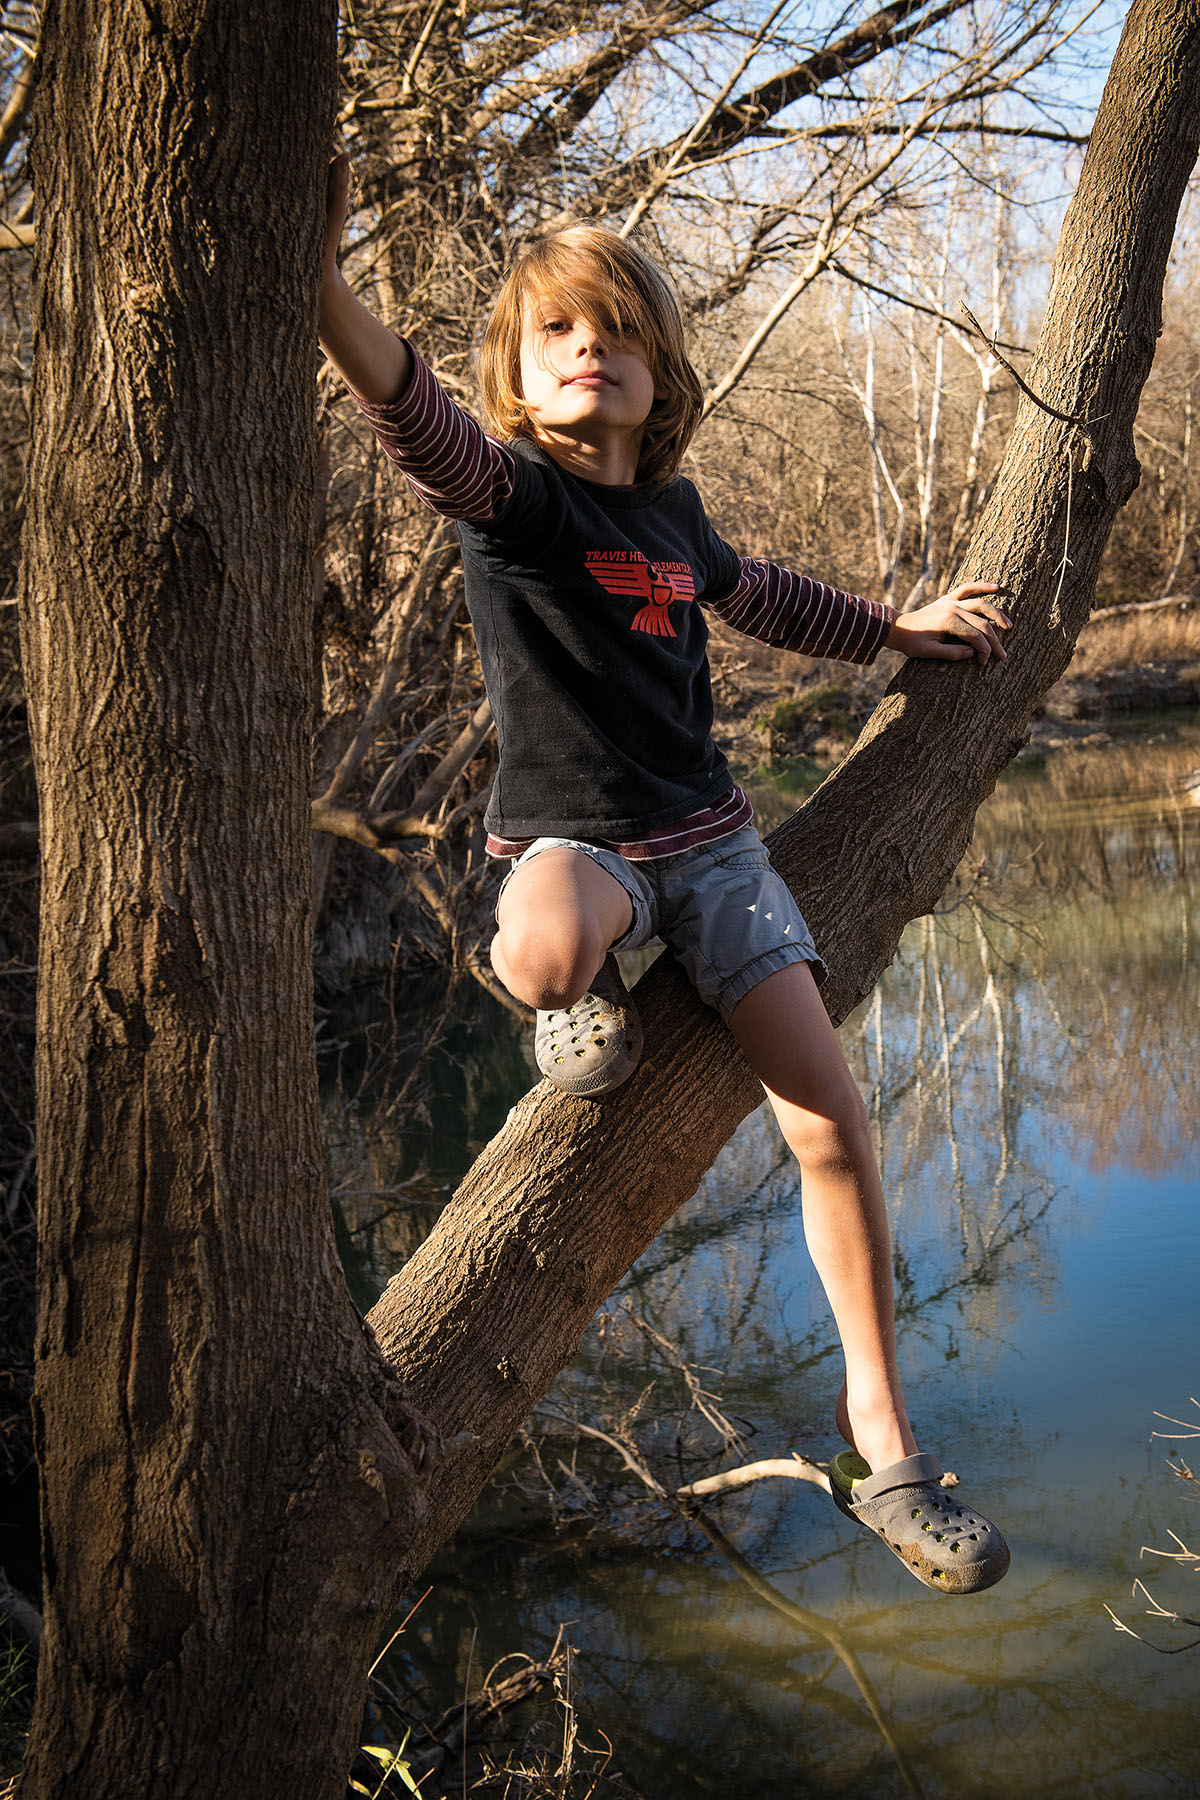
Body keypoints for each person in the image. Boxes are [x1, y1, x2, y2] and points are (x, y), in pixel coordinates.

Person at [318, 155, 1011, 1593]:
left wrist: (900, 630)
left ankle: (882, 1438)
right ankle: (566, 1001)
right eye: (559, 332)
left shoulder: (677, 522)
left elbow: (768, 597)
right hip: (577, 847)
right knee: (552, 936)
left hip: (714, 847)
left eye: (618, 330)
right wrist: (320, 284)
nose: (591, 348)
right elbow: (412, 414)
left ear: (661, 369)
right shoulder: (514, 502)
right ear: (518, 372)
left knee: (829, 1119)